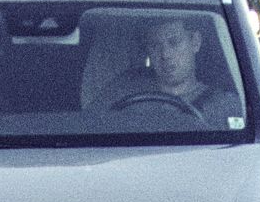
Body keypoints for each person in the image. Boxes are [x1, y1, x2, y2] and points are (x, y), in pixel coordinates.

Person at [99, 17, 245, 124]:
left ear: (195, 42)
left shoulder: (224, 106)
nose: (165, 54)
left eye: (174, 42)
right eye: (155, 45)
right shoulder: (123, 90)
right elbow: (91, 122)